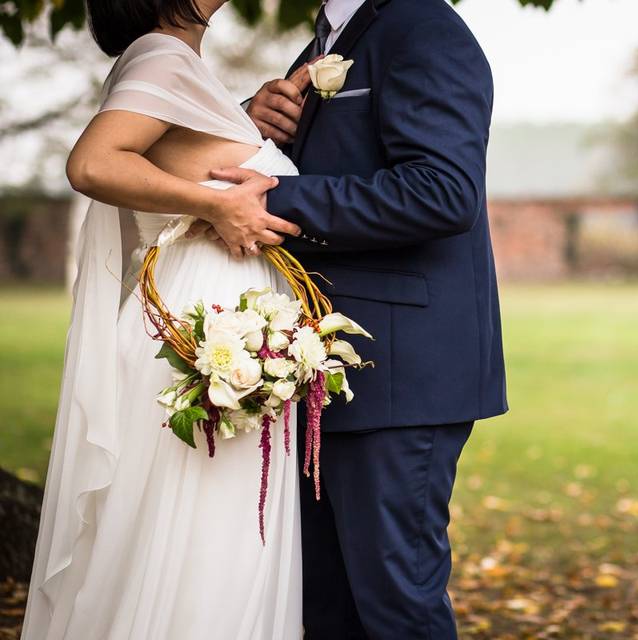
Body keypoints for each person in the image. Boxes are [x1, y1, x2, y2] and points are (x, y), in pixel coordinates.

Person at [218, 0, 508, 636]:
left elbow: (443, 190)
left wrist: (277, 198)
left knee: (395, 609)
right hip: (323, 368)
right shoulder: (327, 37)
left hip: (401, 373)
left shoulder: (424, 27)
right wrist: (258, 130)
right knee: (325, 608)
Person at [21, 1, 307, 637]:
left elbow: (178, 153)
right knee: (205, 531)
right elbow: (92, 163)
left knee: (211, 528)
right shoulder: (163, 54)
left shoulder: (175, 63)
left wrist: (237, 120)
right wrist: (215, 202)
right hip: (206, 328)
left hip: (213, 311)